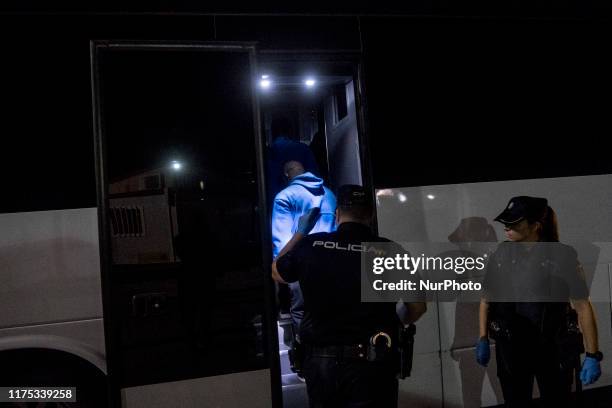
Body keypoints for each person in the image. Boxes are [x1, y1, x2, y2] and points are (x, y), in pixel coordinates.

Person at [272, 185, 427, 407]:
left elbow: (276, 271)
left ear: (337, 215)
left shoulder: (312, 245)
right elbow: (418, 307)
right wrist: (393, 323)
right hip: (374, 364)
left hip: (321, 365)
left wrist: (301, 232)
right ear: (371, 216)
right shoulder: (391, 251)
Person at [476, 196, 602, 407]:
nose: (507, 226)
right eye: (506, 222)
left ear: (536, 225)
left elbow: (582, 305)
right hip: (512, 350)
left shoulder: (562, 256)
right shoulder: (501, 255)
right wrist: (482, 338)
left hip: (552, 350)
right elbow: (486, 300)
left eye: (515, 222)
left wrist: (592, 354)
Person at [271, 160, 337, 375]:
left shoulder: (285, 197)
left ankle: (309, 363)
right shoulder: (329, 194)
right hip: (331, 266)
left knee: (301, 313)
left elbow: (281, 243)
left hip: (302, 268)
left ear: (287, 175)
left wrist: (280, 270)